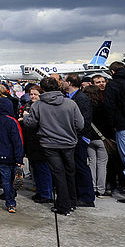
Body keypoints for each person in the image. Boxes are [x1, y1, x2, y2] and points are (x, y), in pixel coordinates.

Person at [22, 76, 84, 215]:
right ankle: (72, 202)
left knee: (58, 174)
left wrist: (26, 117)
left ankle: (63, 205)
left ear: (42, 89)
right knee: (69, 172)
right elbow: (80, 124)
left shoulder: (38, 105)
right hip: (68, 143)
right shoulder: (70, 103)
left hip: (49, 144)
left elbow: (31, 124)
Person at [0, 85, 25, 213]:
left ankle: (10, 203)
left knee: (5, 180)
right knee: (13, 178)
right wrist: (20, 159)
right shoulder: (12, 121)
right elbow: (17, 141)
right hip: (12, 156)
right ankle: (12, 196)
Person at [103, 62, 125, 205]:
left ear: (112, 72)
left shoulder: (113, 85)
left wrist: (113, 125)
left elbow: (109, 107)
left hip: (124, 127)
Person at [66, 73, 96, 207]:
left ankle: (87, 197)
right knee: (76, 167)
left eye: (65, 80)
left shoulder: (81, 98)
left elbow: (84, 120)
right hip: (76, 137)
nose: (63, 83)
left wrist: (80, 137)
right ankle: (81, 194)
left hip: (79, 138)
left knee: (81, 166)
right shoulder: (72, 97)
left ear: (70, 83)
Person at [21, 85, 53, 204]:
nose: (33, 96)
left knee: (43, 169)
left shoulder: (43, 107)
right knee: (35, 168)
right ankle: (40, 191)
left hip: (41, 141)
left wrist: (26, 118)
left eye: (35, 94)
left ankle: (46, 193)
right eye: (31, 94)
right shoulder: (28, 105)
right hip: (31, 141)